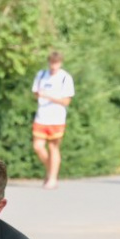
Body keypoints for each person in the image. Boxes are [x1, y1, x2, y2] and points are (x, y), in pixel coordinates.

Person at [31, 50, 75, 189]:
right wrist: (40, 95)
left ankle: (52, 178)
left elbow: (66, 101)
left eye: (56, 63)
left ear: (60, 63)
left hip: (56, 118)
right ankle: (51, 170)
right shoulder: (41, 75)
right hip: (41, 116)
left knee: (53, 147)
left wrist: (49, 96)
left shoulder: (65, 78)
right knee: (38, 147)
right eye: (51, 62)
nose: (53, 66)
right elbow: (36, 94)